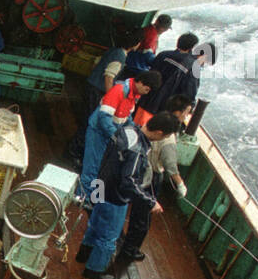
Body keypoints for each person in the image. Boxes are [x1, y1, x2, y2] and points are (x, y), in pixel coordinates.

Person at [76, 112, 182, 279]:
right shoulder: (138, 150)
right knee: (109, 237)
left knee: (95, 222)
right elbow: (128, 182)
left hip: (100, 184)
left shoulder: (127, 129)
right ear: (160, 133)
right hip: (114, 197)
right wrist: (150, 202)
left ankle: (83, 254)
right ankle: (93, 270)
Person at [118, 96, 192, 262]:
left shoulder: (155, 120)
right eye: (186, 113)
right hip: (150, 178)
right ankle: (130, 250)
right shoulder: (168, 136)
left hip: (139, 173)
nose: (187, 116)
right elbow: (170, 165)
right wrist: (180, 185)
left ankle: (123, 240)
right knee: (142, 218)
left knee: (133, 210)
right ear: (178, 113)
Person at [77, 69, 158, 203]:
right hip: (98, 132)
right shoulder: (119, 91)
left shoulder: (134, 94)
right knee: (92, 167)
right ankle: (82, 199)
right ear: (141, 83)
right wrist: (116, 136)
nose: (147, 93)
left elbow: (127, 117)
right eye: (147, 89)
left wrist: (134, 130)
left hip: (109, 134)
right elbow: (104, 117)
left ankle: (92, 198)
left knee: (100, 169)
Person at [69, 29, 143, 163]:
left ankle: (75, 149)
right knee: (90, 123)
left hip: (90, 86)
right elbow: (109, 76)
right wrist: (111, 98)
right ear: (136, 44)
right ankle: (75, 153)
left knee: (86, 120)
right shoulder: (120, 56)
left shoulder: (114, 50)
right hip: (97, 91)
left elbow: (97, 64)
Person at [135, 33, 214, 126]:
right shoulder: (193, 67)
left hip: (144, 102)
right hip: (164, 112)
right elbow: (189, 94)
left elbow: (150, 75)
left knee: (136, 128)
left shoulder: (163, 54)